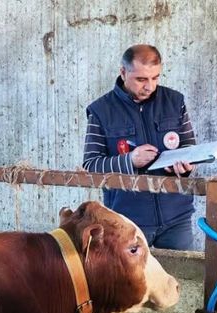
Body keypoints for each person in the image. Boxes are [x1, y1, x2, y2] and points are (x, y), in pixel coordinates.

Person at [83, 44, 197, 250]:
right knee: (128, 283)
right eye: (141, 79)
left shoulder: (175, 101)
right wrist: (129, 161)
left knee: (180, 279)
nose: (150, 86)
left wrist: (187, 166)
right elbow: (91, 165)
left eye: (155, 78)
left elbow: (190, 146)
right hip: (126, 220)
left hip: (176, 216)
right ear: (123, 72)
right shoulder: (100, 110)